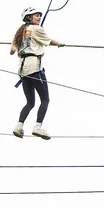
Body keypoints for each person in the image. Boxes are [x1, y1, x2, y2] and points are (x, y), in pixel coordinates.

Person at [10, 7, 64, 139]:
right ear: (29, 18)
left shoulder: (20, 31)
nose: (39, 18)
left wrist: (16, 49)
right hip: (34, 66)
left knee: (30, 102)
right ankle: (37, 127)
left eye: (40, 16)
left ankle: (19, 126)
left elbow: (12, 49)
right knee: (45, 99)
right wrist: (59, 44)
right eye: (36, 16)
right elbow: (48, 41)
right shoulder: (37, 29)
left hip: (22, 69)